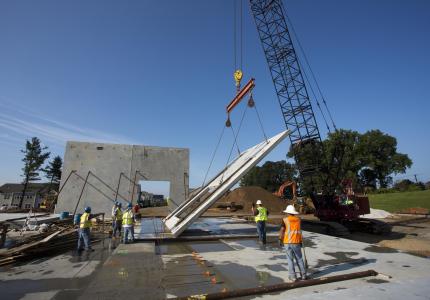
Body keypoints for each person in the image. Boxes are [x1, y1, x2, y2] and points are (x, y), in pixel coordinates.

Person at [279, 205, 307, 282]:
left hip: (287, 242)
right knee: (299, 259)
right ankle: (303, 275)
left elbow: (282, 230)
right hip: (296, 241)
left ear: (287, 212)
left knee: (290, 260)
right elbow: (299, 230)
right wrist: (301, 241)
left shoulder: (285, 220)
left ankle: (293, 277)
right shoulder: (298, 219)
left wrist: (280, 239)